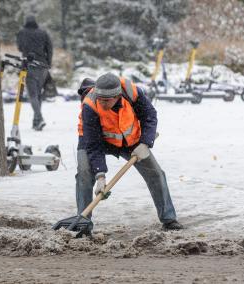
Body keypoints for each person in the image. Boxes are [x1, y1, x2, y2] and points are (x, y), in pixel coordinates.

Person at [76, 72, 183, 232]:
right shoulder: (90, 106)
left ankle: (169, 219)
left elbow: (149, 115)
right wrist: (100, 176)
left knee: (155, 173)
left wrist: (145, 142)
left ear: (117, 96)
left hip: (130, 141)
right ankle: (83, 223)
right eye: (100, 99)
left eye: (106, 101)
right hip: (95, 141)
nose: (102, 104)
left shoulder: (132, 93)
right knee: (84, 174)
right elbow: (94, 145)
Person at [16, 15, 53, 131]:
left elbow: (20, 48)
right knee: (38, 94)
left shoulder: (22, 33)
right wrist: (48, 63)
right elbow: (50, 48)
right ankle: (36, 123)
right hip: (42, 67)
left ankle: (39, 118)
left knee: (32, 95)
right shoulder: (43, 33)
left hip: (29, 65)